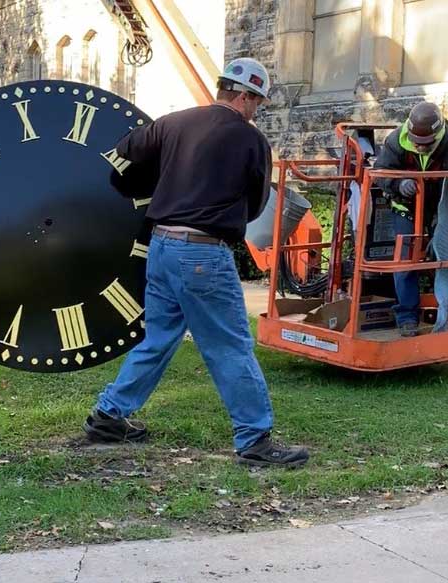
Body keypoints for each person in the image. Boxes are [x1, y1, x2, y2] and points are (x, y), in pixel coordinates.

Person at [83, 58, 309, 468]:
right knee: (230, 345)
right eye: (256, 100)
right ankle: (254, 439)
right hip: (204, 252)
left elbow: (121, 154)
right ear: (242, 96)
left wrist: (153, 185)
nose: (256, 109)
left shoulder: (173, 122)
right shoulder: (250, 140)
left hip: (162, 246)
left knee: (158, 338)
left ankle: (108, 416)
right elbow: (258, 204)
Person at [373, 102, 448, 336]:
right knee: (405, 261)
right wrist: (399, 184)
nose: (420, 148)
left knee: (444, 258)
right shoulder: (395, 142)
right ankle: (407, 317)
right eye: (415, 143)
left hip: (438, 211)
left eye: (426, 144)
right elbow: (380, 172)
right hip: (405, 208)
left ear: (438, 134)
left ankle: (447, 312)